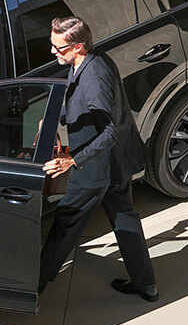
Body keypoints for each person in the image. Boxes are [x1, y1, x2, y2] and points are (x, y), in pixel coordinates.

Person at [39, 16, 158, 302]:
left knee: (67, 220)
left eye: (59, 48)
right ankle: (146, 284)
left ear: (78, 46)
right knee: (124, 217)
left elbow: (108, 133)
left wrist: (71, 160)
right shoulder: (92, 59)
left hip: (95, 165)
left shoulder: (93, 79)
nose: (54, 52)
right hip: (116, 163)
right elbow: (80, 105)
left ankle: (35, 282)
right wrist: (54, 119)